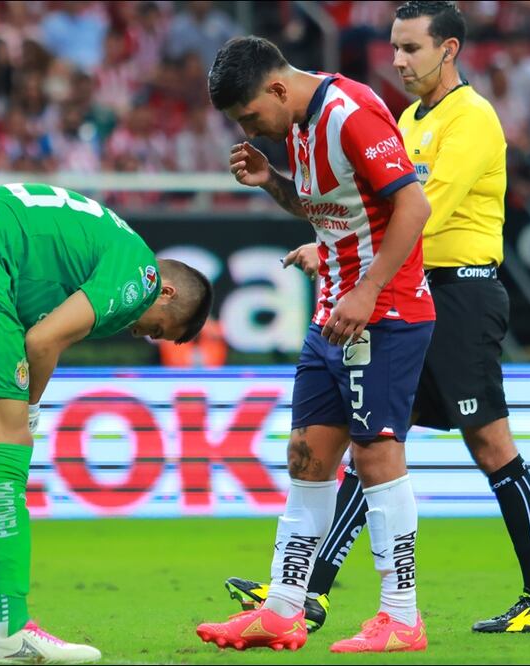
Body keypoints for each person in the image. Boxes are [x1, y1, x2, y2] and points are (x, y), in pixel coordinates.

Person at [223, 1, 530, 635]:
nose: (398, 61)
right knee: (374, 442)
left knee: (487, 443)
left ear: (449, 50)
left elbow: (420, 210)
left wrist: (352, 258)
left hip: (459, 291)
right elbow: (367, 210)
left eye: (411, 48)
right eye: (394, 48)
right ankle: (309, 591)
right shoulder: (408, 119)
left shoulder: (472, 117)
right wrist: (328, 236)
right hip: (403, 293)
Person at [0, 182, 212, 664]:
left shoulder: (100, 244)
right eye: (159, 329)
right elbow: (42, 342)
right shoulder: (140, 273)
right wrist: (28, 412)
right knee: (8, 448)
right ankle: (11, 629)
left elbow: (25, 336)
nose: (143, 334)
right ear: (165, 292)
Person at [195, 36, 435, 654]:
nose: (251, 129)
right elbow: (329, 211)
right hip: (333, 314)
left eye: (251, 115)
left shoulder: (351, 114)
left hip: (383, 313)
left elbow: (414, 206)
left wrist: (367, 290)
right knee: (306, 457)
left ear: (278, 87)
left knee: (375, 457)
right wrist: (271, 182)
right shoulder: (299, 125)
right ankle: (282, 610)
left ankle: (401, 616)